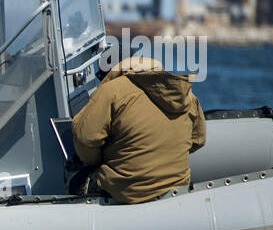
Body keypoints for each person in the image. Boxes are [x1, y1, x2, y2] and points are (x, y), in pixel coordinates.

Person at [71, 56, 206, 204]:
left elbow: (85, 140)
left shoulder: (111, 91)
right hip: (177, 187)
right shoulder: (185, 95)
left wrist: (99, 160)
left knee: (75, 178)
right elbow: (198, 140)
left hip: (129, 191)